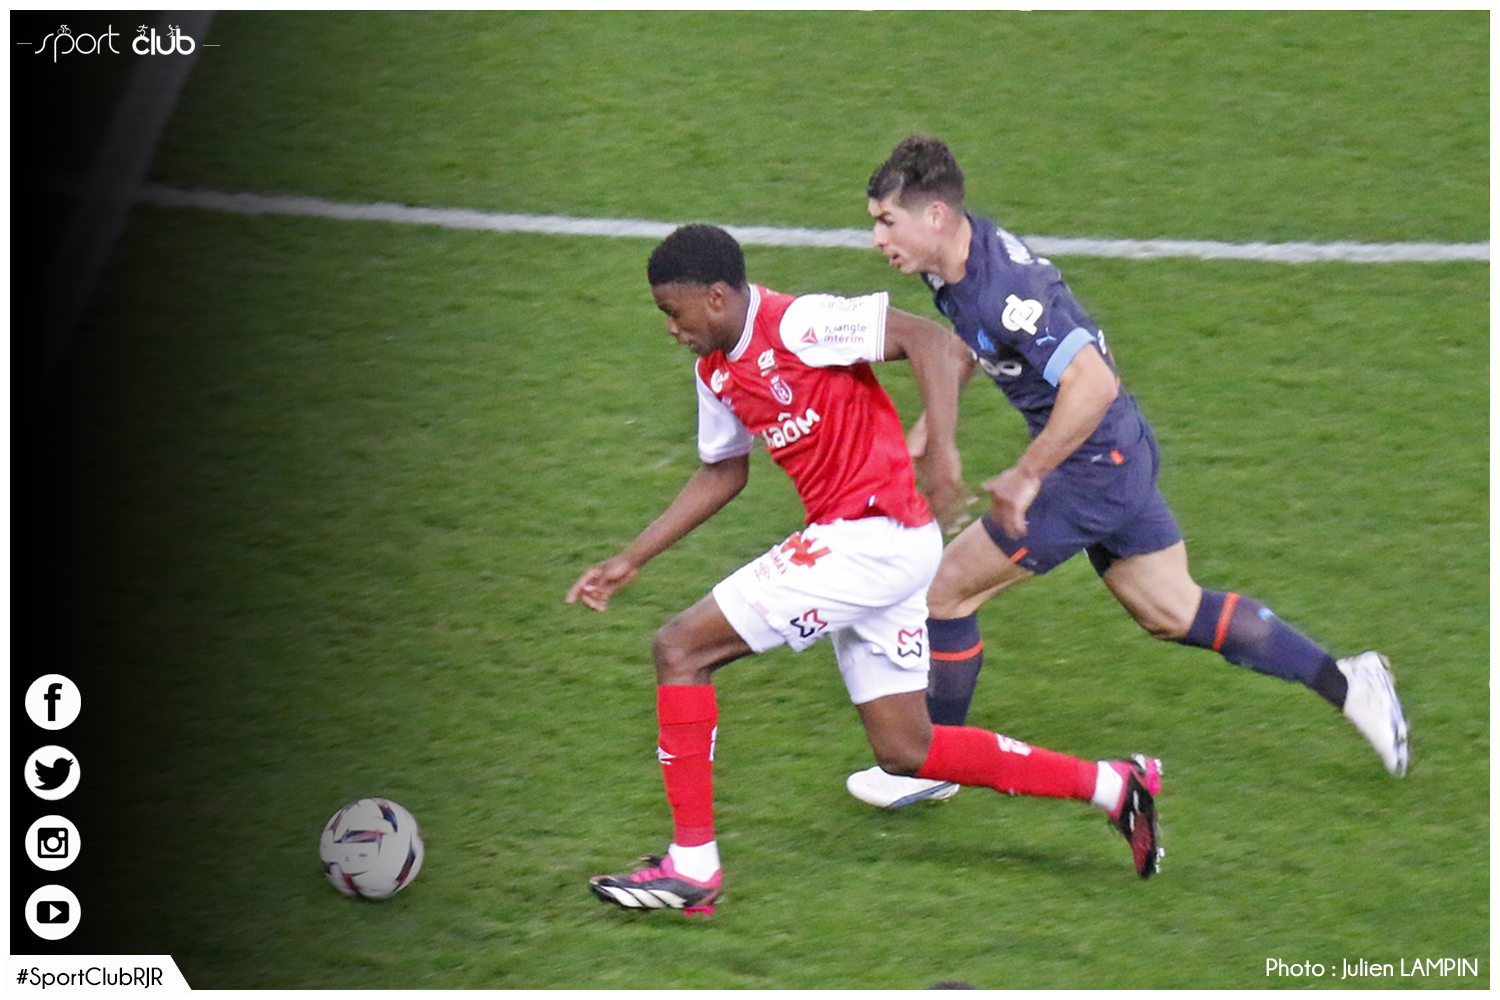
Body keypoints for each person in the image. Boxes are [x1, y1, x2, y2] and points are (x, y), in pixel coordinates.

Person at [566, 224, 1164, 915]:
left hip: (868, 540)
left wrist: (942, 450)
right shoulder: (716, 373)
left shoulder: (800, 324)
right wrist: (632, 557)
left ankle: (693, 867)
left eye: (674, 312)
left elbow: (934, 341)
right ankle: (1114, 786)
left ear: (718, 296)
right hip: (879, 545)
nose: (671, 329)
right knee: (907, 748)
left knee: (679, 649)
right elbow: (723, 472)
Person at [845, 136, 1409, 811]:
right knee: (1172, 611)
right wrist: (931, 432)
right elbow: (972, 342)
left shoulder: (1007, 291)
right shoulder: (952, 265)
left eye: (887, 222)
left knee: (944, 591)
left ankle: (932, 760)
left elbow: (1093, 384)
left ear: (934, 215)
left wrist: (1026, 474)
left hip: (1090, 469)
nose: (878, 239)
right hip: (1118, 454)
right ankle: (1348, 683)